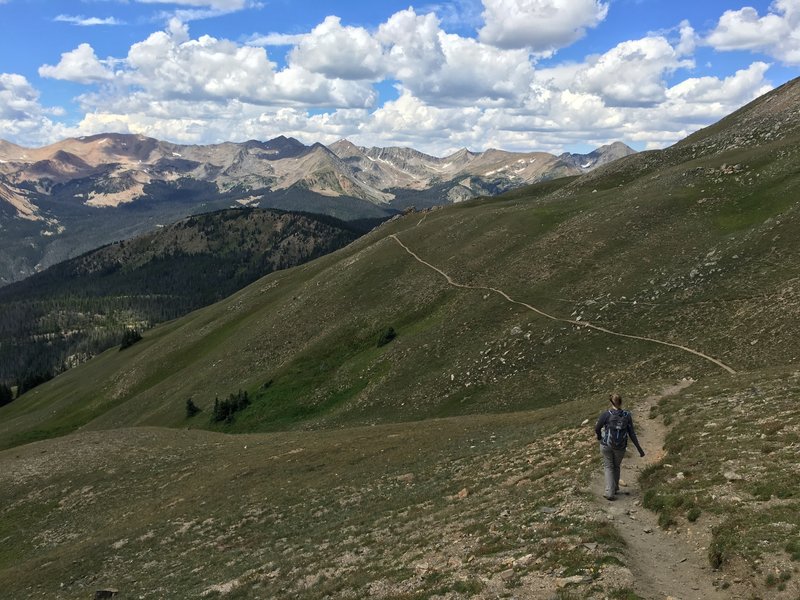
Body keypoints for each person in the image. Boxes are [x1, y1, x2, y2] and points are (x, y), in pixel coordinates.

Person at [595, 393, 645, 501]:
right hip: (620, 447)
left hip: (606, 445)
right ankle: (615, 487)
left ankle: (609, 491)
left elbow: (597, 427)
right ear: (621, 402)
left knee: (608, 466)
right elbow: (632, 433)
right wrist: (639, 449)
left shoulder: (606, 414)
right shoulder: (627, 415)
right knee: (616, 466)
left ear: (611, 402)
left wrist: (599, 437)